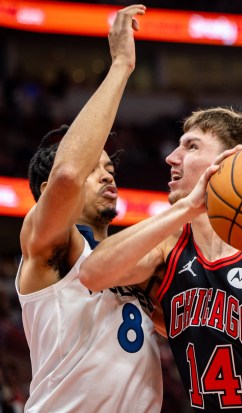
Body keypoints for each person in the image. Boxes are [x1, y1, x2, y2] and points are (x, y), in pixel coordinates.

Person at [79, 106, 242, 412]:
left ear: (234, 160)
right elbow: (91, 273)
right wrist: (186, 209)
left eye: (192, 146)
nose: (172, 157)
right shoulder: (170, 245)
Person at [15, 5, 163, 412]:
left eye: (110, 168)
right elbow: (67, 175)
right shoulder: (46, 248)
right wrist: (121, 66)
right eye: (93, 170)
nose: (107, 176)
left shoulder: (131, 261)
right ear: (45, 194)